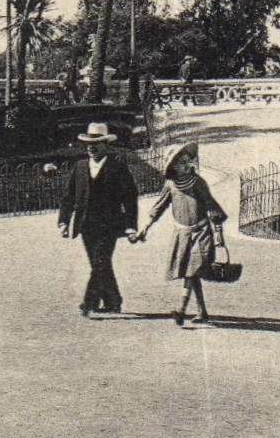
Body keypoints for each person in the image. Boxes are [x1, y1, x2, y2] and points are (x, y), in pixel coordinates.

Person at [133, 142, 229, 327]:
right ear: (173, 167)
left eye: (188, 161)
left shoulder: (198, 183)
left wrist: (218, 237)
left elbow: (212, 207)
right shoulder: (170, 185)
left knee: (192, 271)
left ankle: (181, 309)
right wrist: (145, 227)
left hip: (201, 233)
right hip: (181, 234)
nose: (187, 166)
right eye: (182, 163)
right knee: (190, 273)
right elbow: (158, 207)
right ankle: (202, 312)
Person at [57, 122, 139, 317]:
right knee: (98, 263)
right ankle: (113, 300)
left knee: (100, 261)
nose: (92, 148)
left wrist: (130, 226)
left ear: (106, 145)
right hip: (86, 224)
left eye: (97, 143)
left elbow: (129, 197)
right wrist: (63, 222)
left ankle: (89, 302)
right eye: (88, 144)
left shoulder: (117, 167)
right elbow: (68, 196)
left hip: (109, 225)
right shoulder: (80, 167)